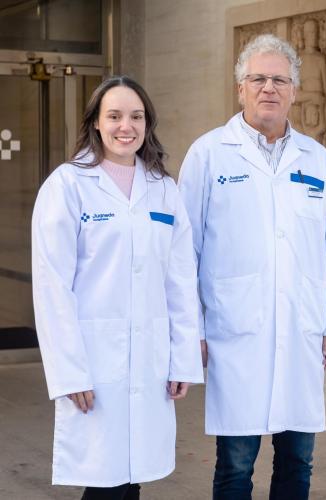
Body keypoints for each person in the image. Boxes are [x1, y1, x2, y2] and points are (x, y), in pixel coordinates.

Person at [177, 34, 326, 500]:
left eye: (279, 80)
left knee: (298, 461)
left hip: (301, 332)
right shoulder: (209, 154)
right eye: (258, 79)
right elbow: (183, 253)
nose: (269, 88)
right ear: (240, 88)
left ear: (295, 90)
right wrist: (191, 329)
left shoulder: (318, 160)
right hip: (235, 332)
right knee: (235, 466)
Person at [31, 76, 204, 500]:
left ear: (147, 124)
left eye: (136, 117)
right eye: (114, 116)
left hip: (149, 358)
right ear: (95, 122)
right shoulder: (67, 185)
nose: (126, 126)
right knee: (105, 481)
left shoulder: (162, 188)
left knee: (131, 478)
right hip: (94, 360)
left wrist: (182, 359)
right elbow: (53, 288)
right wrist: (69, 371)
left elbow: (180, 279)